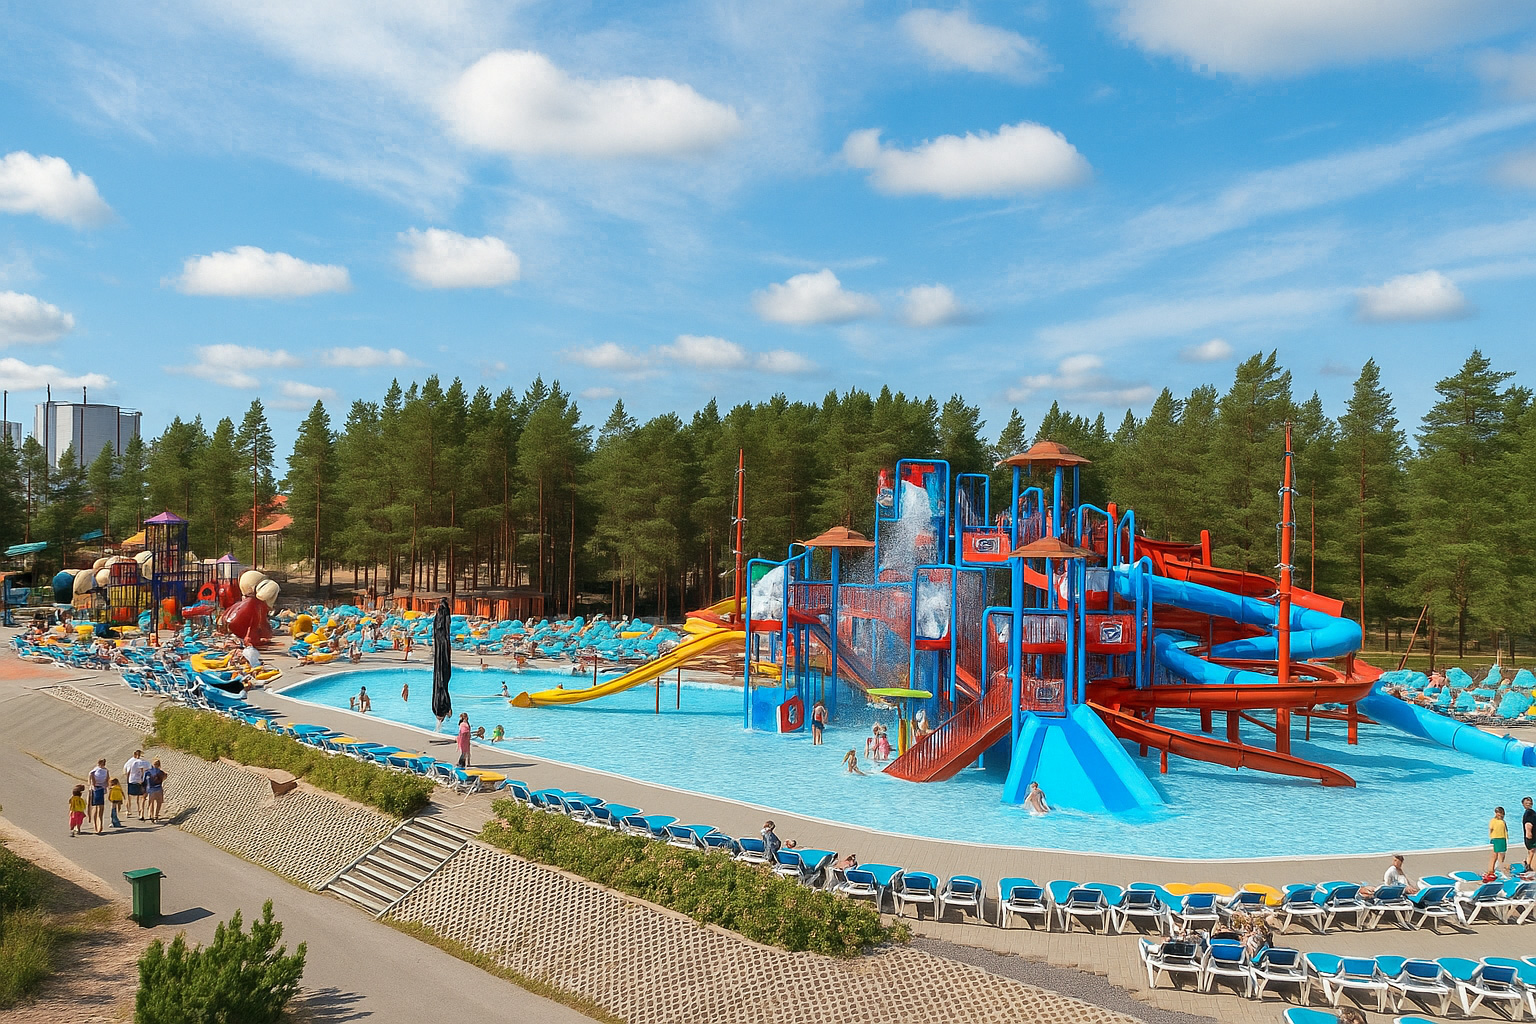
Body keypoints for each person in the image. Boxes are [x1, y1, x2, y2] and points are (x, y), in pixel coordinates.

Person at [123, 749, 151, 820]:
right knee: (136, 797)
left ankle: (130, 810)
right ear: (135, 754)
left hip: (132, 780)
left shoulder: (132, 762)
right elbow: (130, 771)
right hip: (135, 780)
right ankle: (133, 810)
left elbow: (126, 771)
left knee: (131, 796)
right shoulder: (134, 762)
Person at [87, 757, 109, 834]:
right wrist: (104, 787)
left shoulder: (98, 770)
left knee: (97, 808)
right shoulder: (103, 770)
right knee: (99, 808)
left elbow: (92, 781)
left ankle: (97, 825)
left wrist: (93, 785)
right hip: (98, 789)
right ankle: (98, 825)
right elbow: (106, 781)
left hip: (97, 789)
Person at [145, 759, 167, 823]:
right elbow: (164, 778)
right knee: (159, 803)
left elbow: (144, 780)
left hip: (150, 789)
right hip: (158, 789)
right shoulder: (161, 772)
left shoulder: (148, 772)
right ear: (159, 765)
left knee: (151, 803)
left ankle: (151, 816)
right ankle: (156, 816)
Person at [1490, 805, 1510, 874]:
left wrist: (1507, 837)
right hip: (1496, 838)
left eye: (1501, 813)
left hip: (1503, 838)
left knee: (1502, 854)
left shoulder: (1503, 821)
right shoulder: (1493, 821)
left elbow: (1506, 830)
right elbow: (1491, 830)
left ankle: (1498, 867)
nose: (1500, 815)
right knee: (1496, 855)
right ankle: (1493, 869)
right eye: (1498, 813)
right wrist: (1492, 838)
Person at [1522, 796, 1536, 870]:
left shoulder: (1531, 812)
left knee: (1532, 851)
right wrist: (1528, 834)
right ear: (1523, 804)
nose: (1529, 804)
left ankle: (1527, 863)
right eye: (1526, 803)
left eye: (1530, 802)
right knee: (1532, 850)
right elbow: (1528, 824)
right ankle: (1528, 866)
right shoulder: (1529, 814)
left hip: (1533, 835)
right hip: (1530, 836)